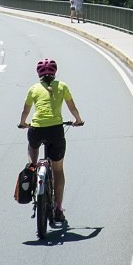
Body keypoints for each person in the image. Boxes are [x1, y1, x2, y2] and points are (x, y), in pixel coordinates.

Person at [17, 58, 84, 226]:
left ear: (38, 74)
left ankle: (33, 166)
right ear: (54, 73)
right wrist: (78, 120)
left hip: (37, 130)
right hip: (56, 131)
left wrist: (23, 123)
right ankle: (59, 208)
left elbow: (25, 110)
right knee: (58, 170)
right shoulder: (62, 86)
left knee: (32, 146)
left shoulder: (33, 89)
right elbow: (72, 106)